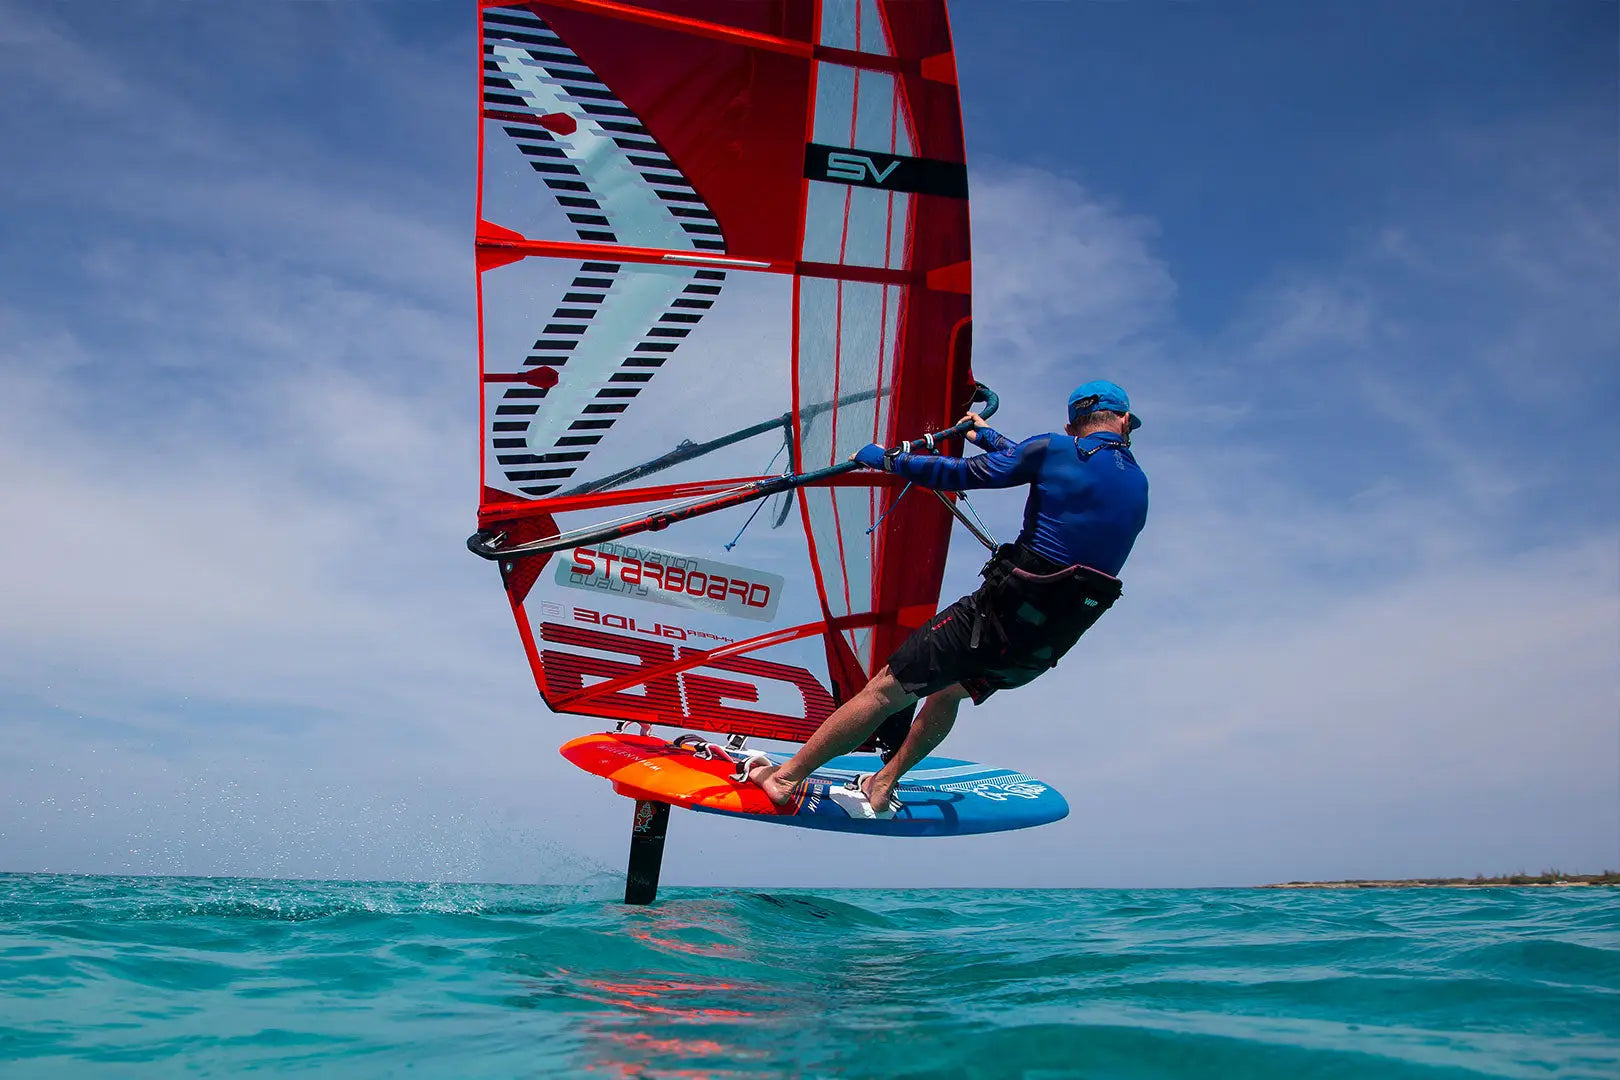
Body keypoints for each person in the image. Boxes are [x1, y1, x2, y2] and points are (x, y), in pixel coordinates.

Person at [748, 380, 1150, 815]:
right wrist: (989, 437)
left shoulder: (1055, 448)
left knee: (885, 690)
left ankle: (784, 778)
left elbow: (966, 474)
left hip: (997, 618)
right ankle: (883, 783)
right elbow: (1048, 467)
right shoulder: (1137, 482)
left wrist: (886, 459)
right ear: (1125, 421)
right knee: (948, 692)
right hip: (1046, 643)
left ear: (1071, 426)